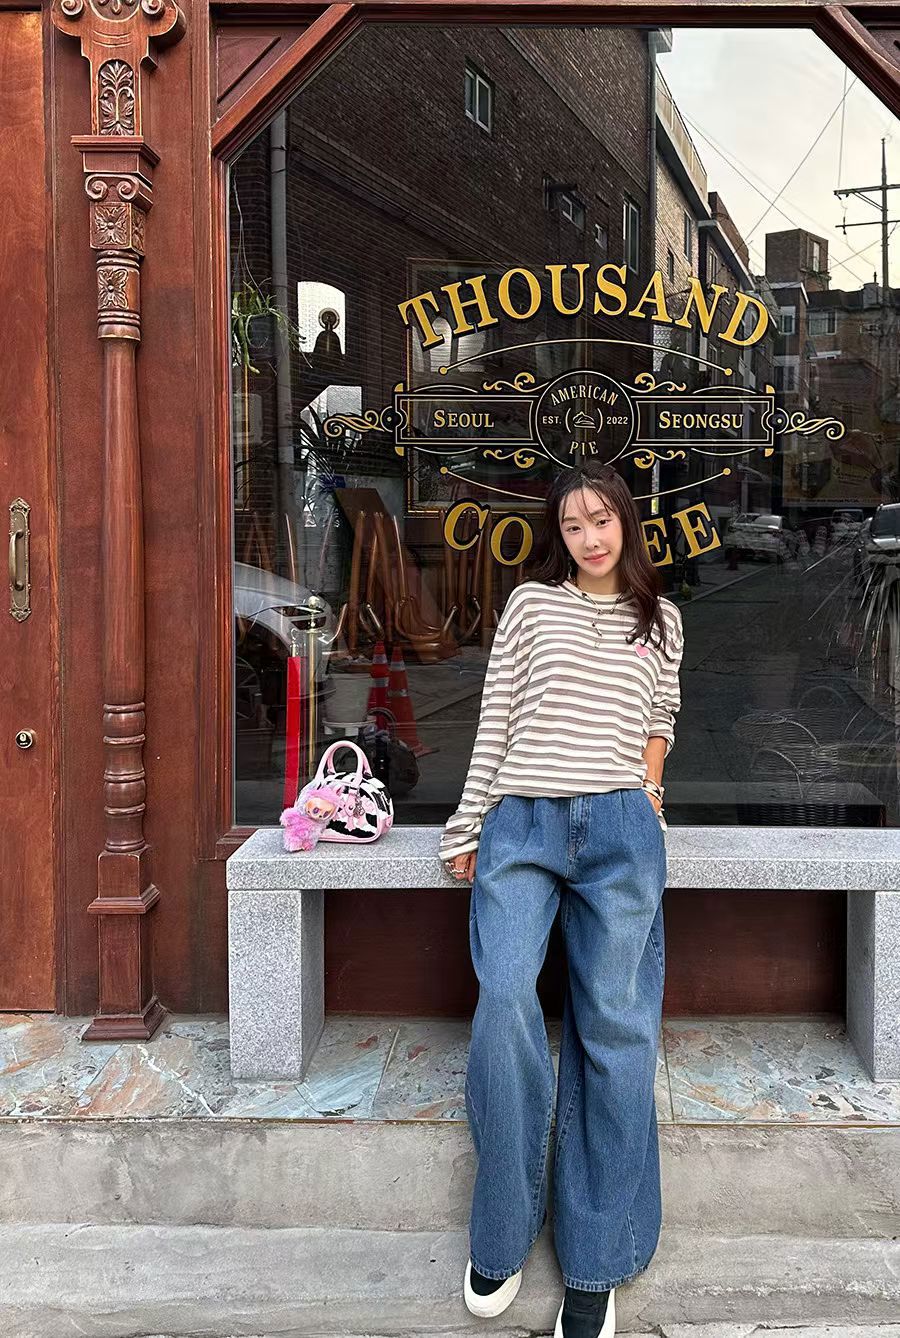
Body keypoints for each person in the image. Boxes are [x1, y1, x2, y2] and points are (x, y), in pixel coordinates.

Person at [439, 461, 685, 1338]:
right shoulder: (530, 606)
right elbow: (497, 715)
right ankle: (504, 1228)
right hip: (525, 820)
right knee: (505, 995)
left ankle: (597, 1259)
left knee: (615, 1026)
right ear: (559, 535)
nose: (590, 538)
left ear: (627, 522)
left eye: (602, 520)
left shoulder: (662, 618)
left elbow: (660, 719)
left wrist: (650, 794)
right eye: (573, 525)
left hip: (620, 827)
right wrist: (469, 821)